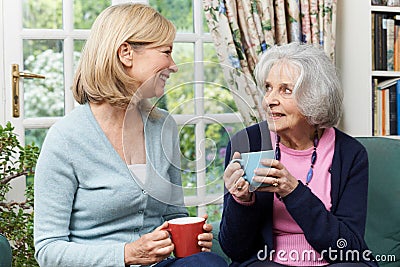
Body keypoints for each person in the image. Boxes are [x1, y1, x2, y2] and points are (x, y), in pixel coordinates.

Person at [33, 4, 227, 267]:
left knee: (209, 263)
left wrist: (190, 238)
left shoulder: (164, 126)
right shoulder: (66, 139)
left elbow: (175, 214)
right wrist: (126, 254)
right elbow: (48, 250)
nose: (174, 66)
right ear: (126, 53)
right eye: (166, 52)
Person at [220, 43, 377, 267]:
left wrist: (293, 192)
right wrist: (241, 201)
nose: (269, 100)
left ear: (315, 98)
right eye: (268, 87)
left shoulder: (350, 154)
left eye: (285, 90)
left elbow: (348, 247)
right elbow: (235, 250)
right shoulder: (247, 143)